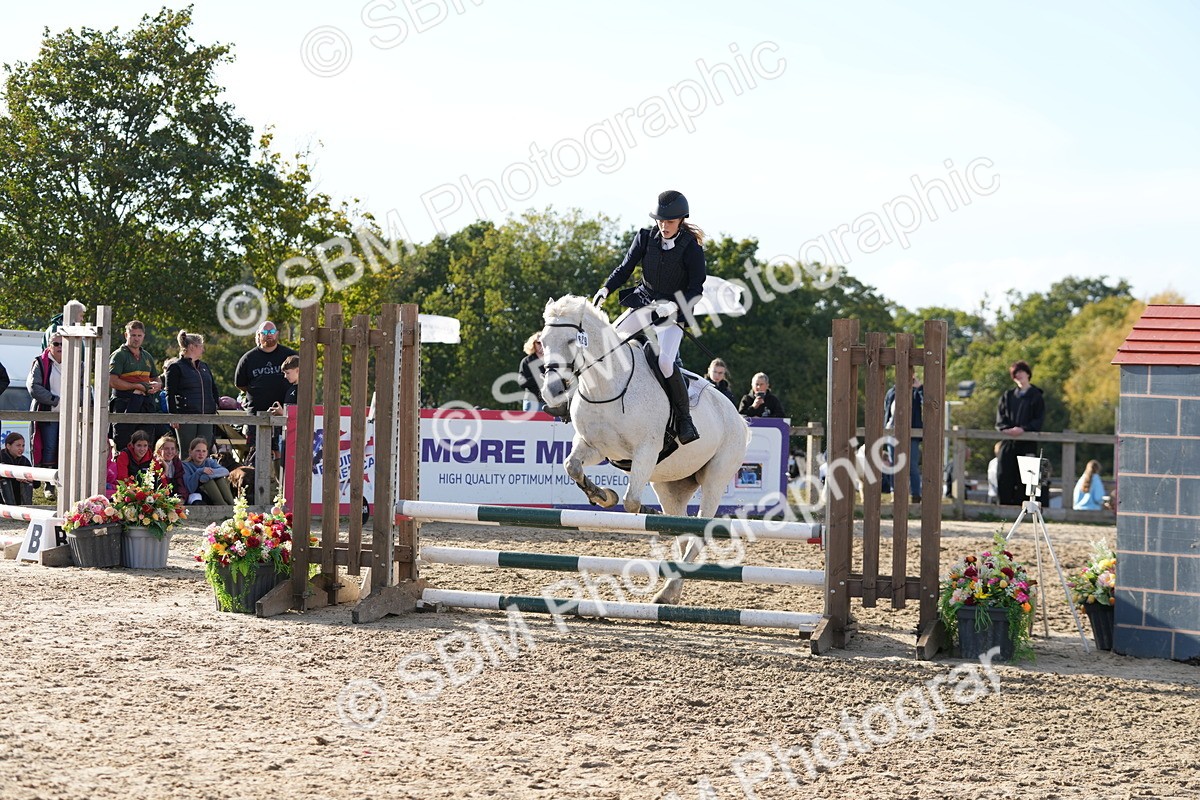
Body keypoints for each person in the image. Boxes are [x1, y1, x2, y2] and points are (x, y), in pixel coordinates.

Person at [591, 190, 706, 444]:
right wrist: (606, 289)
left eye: (670, 222)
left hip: (672, 312)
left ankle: (684, 419)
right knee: (609, 346)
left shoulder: (692, 248)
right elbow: (625, 268)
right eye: (660, 221)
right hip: (644, 302)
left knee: (665, 363)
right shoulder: (644, 237)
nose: (664, 226)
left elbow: (696, 289)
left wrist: (674, 306)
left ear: (681, 220)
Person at [234, 320, 297, 458]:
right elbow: (240, 384)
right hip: (257, 413)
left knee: (283, 452)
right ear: (259, 335)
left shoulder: (290, 356)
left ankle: (278, 473)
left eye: (272, 332)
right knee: (256, 453)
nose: (269, 335)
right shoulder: (248, 358)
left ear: (277, 334)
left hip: (283, 413)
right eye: (265, 332)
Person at [995, 359, 1047, 506]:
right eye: (1015, 374)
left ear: (1028, 374)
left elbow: (1039, 419)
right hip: (1009, 442)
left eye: (1021, 372)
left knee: (1027, 480)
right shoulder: (1008, 396)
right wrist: (1007, 429)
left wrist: (1023, 429)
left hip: (1027, 443)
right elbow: (1000, 418)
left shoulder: (1036, 396)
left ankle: (1024, 509)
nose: (1019, 376)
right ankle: (1003, 509)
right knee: (1004, 475)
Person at [109, 320, 162, 452]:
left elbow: (155, 377)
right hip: (125, 403)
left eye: (139, 335)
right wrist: (136, 386)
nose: (136, 339)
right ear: (126, 335)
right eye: (133, 335)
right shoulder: (119, 355)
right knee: (124, 442)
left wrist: (158, 384)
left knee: (146, 442)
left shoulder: (147, 356)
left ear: (143, 336)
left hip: (145, 403)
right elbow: (112, 381)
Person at [165, 330, 219, 453]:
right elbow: (170, 393)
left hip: (207, 415)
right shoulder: (175, 367)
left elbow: (213, 388)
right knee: (187, 451)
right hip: (186, 415)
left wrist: (215, 404)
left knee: (204, 451)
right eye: (200, 346)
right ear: (191, 347)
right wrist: (173, 415)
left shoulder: (204, 366)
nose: (203, 350)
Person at [26, 331, 63, 501]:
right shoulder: (40, 362)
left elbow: (84, 386)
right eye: (56, 344)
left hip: (71, 413)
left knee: (69, 448)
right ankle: (49, 483)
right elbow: (34, 386)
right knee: (49, 447)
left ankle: (68, 483)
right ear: (49, 345)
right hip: (48, 411)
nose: (60, 347)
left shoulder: (77, 362)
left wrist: (76, 401)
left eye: (63, 343)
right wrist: (55, 400)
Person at [881, 365, 924, 502]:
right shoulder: (892, 392)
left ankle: (915, 495)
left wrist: (920, 388)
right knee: (894, 464)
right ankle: (895, 494)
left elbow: (927, 403)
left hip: (912, 433)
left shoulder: (916, 392)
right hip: (892, 432)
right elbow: (887, 412)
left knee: (912, 465)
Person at [183, 438, 236, 505]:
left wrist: (207, 475)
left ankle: (231, 504)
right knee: (208, 481)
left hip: (212, 493)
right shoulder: (185, 465)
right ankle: (222, 505)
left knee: (220, 479)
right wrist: (199, 472)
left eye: (204, 451)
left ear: (207, 453)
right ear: (191, 452)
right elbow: (190, 488)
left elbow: (225, 471)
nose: (201, 454)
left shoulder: (209, 462)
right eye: (198, 451)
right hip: (198, 495)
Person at [0, 431, 35, 507]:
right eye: (18, 445)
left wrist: (28, 479)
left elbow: (37, 484)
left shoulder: (24, 461)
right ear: (8, 446)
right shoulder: (1, 457)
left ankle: (25, 508)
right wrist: (15, 477)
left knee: (27, 482)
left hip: (20, 497)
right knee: (4, 481)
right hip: (2, 497)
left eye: (23, 445)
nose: (21, 448)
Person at [517, 333, 546, 412]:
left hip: (552, 402)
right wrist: (540, 378)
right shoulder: (526, 361)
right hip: (532, 401)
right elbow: (522, 382)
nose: (541, 345)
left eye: (544, 342)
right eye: (538, 342)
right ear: (533, 344)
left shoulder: (553, 360)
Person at [153, 435, 187, 500]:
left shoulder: (176, 462)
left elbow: (180, 482)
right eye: (166, 449)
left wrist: (182, 497)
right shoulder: (155, 464)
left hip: (175, 496)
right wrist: (166, 468)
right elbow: (160, 486)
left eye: (172, 448)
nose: (170, 452)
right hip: (160, 497)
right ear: (159, 451)